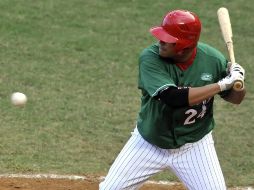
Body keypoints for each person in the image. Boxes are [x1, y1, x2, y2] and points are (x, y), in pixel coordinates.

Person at [99, 10, 246, 190]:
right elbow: (172, 97)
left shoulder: (213, 60)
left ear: (184, 45)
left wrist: (237, 81)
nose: (160, 41)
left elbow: (236, 99)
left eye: (167, 39)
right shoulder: (150, 58)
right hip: (149, 143)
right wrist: (222, 85)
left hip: (195, 147)